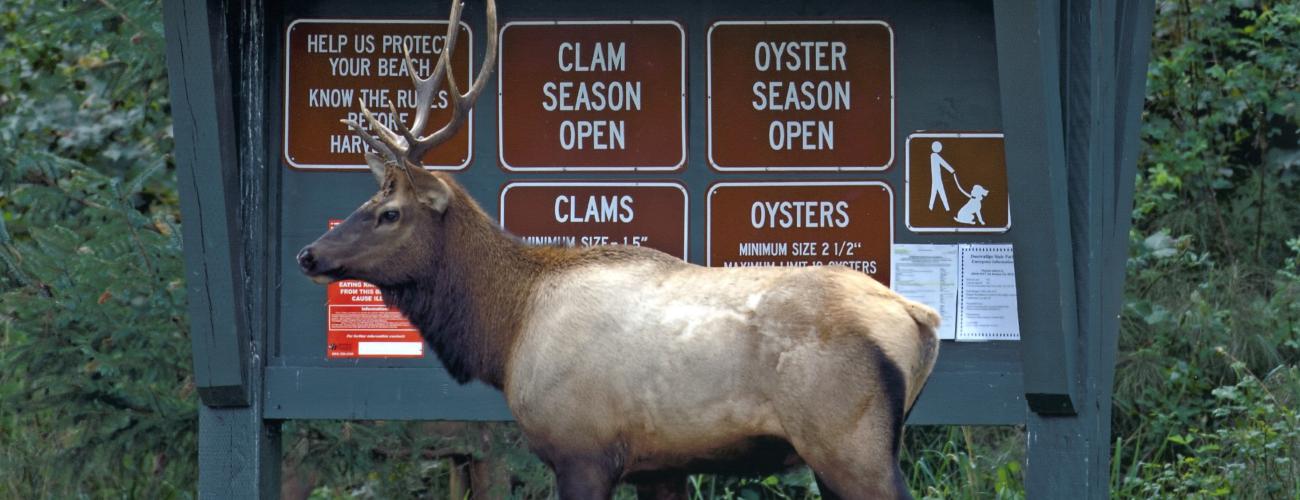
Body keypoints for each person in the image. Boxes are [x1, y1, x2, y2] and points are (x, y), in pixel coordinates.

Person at [928, 141, 956, 211]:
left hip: (936, 178)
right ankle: (947, 209)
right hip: (937, 178)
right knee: (940, 192)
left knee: (935, 192)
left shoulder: (933, 155)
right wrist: (952, 170)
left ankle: (930, 208)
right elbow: (943, 163)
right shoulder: (935, 156)